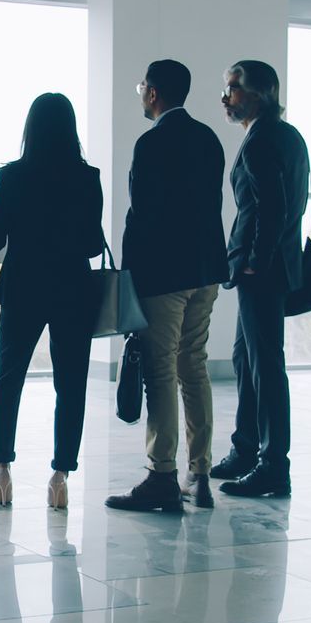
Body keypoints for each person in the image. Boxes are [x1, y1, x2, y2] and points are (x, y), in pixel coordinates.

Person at [106, 60, 228, 514]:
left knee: (160, 371)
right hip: (206, 272)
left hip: (165, 278)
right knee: (192, 367)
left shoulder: (151, 143)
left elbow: (141, 218)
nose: (140, 94)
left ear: (154, 93)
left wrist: (129, 280)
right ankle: (199, 476)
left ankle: (161, 475)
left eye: (142, 88)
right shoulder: (208, 139)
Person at [0, 93, 103, 511]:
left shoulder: (12, 176)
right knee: (71, 386)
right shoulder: (88, 178)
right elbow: (92, 244)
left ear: (30, 129)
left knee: (8, 380)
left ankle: (2, 471)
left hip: (24, 287)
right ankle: (60, 477)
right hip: (73, 291)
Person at [214, 59, 310, 499]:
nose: (226, 96)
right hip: (273, 267)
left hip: (261, 271)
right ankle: (247, 449)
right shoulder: (288, 136)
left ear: (261, 93)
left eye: (233, 88)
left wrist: (253, 259)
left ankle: (273, 465)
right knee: (246, 360)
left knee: (266, 365)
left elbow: (271, 207)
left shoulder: (260, 141)